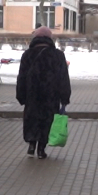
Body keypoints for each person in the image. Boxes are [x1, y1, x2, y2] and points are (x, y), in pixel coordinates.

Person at [16, 26, 71, 159]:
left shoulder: (27, 55)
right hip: (51, 95)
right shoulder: (57, 55)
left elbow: (21, 76)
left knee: (32, 119)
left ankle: (31, 144)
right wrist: (65, 96)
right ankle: (41, 149)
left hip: (32, 94)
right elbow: (63, 77)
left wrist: (21, 95)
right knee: (47, 120)